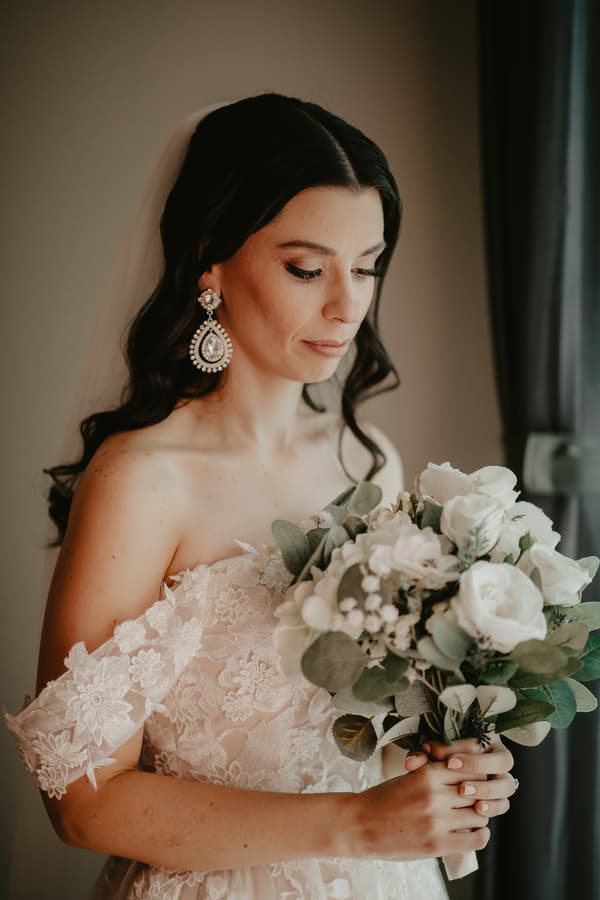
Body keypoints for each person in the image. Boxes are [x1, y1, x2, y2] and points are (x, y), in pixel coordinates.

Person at [6, 92, 516, 899]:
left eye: (368, 265)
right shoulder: (141, 480)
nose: (347, 305)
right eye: (307, 268)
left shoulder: (369, 459)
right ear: (210, 258)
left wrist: (444, 763)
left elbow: (364, 729)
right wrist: (355, 823)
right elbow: (79, 802)